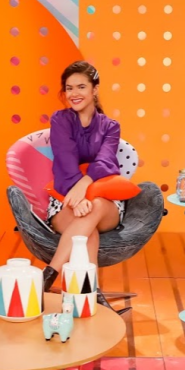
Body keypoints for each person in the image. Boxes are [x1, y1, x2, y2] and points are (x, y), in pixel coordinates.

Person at [41, 61, 125, 309]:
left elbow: (106, 162)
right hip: (66, 199)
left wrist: (84, 188)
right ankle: (94, 294)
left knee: (95, 206)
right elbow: (65, 160)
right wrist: (77, 196)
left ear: (94, 89)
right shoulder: (61, 120)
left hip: (103, 204)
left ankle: (47, 276)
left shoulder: (111, 127)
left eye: (81, 87)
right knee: (88, 231)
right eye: (69, 88)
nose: (74, 94)